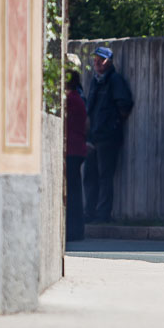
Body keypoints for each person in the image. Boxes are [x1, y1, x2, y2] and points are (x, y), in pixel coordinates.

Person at [83, 46, 134, 223]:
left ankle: (102, 214)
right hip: (93, 137)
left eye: (101, 59)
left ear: (109, 61)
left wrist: (111, 125)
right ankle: (89, 213)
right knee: (90, 175)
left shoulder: (115, 80)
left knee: (105, 176)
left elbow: (125, 105)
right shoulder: (95, 81)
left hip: (107, 138)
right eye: (95, 59)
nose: (97, 63)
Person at [65, 70, 88, 242]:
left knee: (72, 193)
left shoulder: (70, 100)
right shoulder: (76, 99)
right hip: (76, 149)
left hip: (72, 149)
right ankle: (76, 229)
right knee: (75, 191)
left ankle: (73, 230)